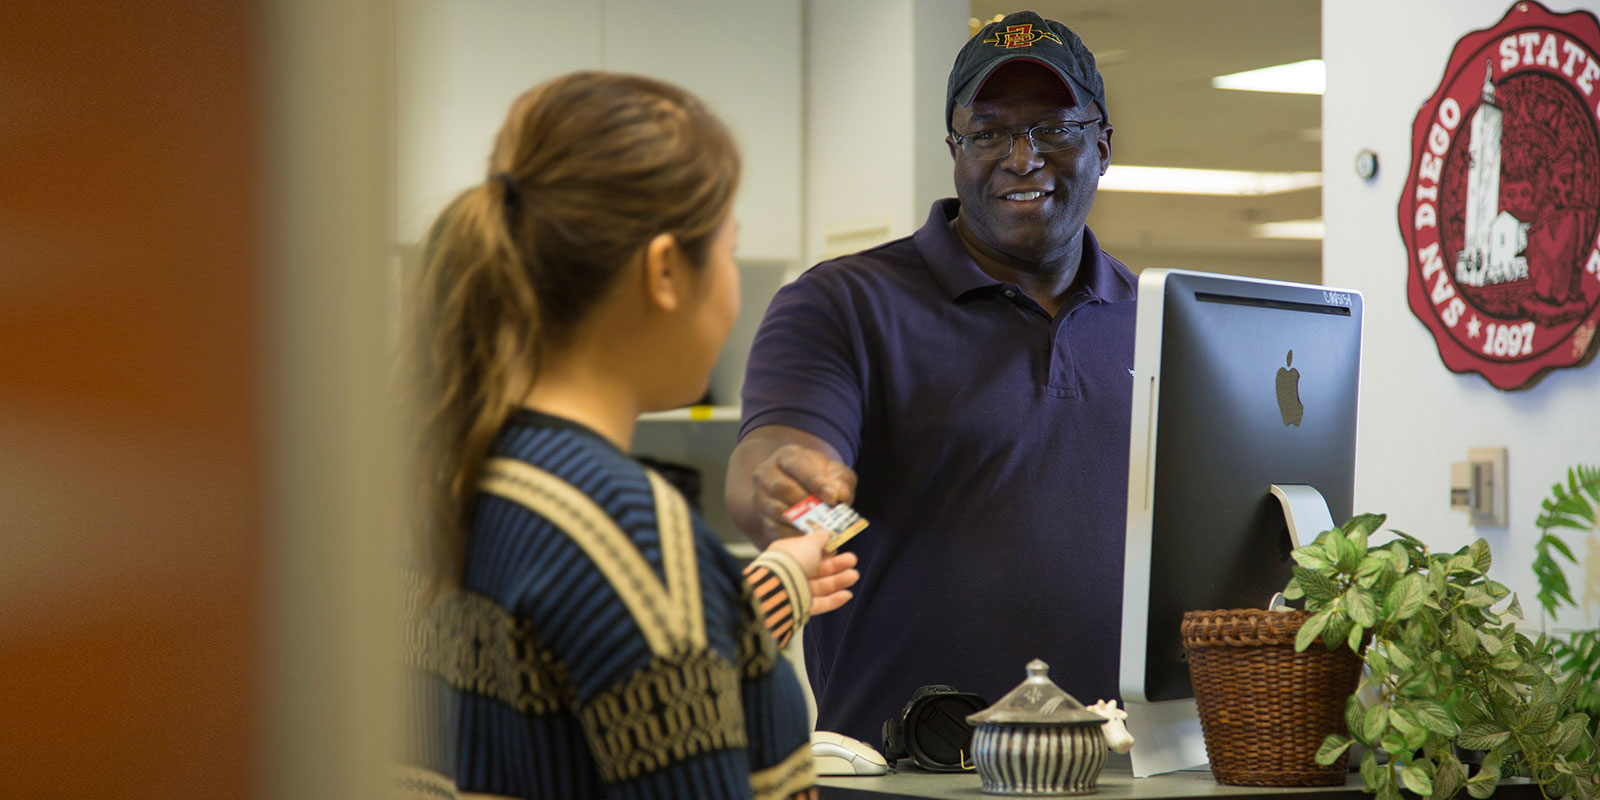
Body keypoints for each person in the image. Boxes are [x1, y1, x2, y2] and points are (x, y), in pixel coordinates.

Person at [400, 71, 859, 800]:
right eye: (729, 251)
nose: (737, 290)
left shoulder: (450, 475)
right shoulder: (635, 536)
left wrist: (774, 583)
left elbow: (591, 663)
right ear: (666, 269)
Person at [727, 10, 1135, 748]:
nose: (1021, 156)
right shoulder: (843, 303)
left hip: (1125, 773)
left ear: (1102, 145)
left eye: (1054, 128)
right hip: (908, 776)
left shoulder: (1159, 323)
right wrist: (784, 486)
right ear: (954, 149)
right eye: (987, 134)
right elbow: (774, 454)